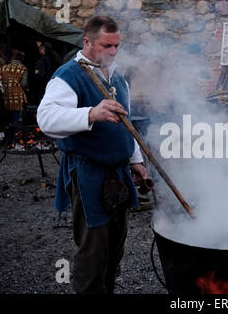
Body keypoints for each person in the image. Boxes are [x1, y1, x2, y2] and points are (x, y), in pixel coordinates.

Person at [36, 15, 148, 294]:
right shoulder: (68, 75)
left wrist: (136, 160)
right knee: (93, 249)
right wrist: (91, 113)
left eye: (116, 46)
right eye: (106, 45)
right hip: (88, 172)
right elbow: (47, 118)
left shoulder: (118, 77)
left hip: (119, 172)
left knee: (115, 246)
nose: (112, 52)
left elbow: (127, 122)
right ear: (86, 42)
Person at [0, 48, 29, 142]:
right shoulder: (23, 68)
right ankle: (14, 140)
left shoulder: (3, 68)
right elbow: (24, 84)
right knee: (16, 119)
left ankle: (5, 138)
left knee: (6, 118)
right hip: (17, 99)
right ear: (21, 59)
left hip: (5, 98)